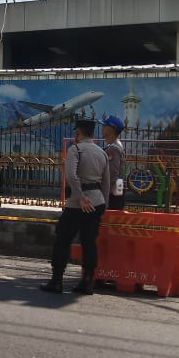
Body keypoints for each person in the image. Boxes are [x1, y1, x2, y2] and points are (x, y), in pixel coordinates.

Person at [41, 119, 110, 295]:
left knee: (63, 240)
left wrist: (80, 197)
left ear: (78, 132)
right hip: (96, 202)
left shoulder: (75, 149)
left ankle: (57, 280)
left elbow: (71, 176)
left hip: (76, 204)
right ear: (93, 134)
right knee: (89, 242)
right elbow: (106, 183)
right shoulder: (101, 153)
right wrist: (102, 204)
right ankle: (87, 283)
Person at [101, 115, 126, 210]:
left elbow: (112, 174)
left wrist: (105, 194)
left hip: (113, 194)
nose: (102, 128)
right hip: (115, 191)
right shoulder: (113, 145)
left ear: (111, 129)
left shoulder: (113, 148)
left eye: (104, 125)